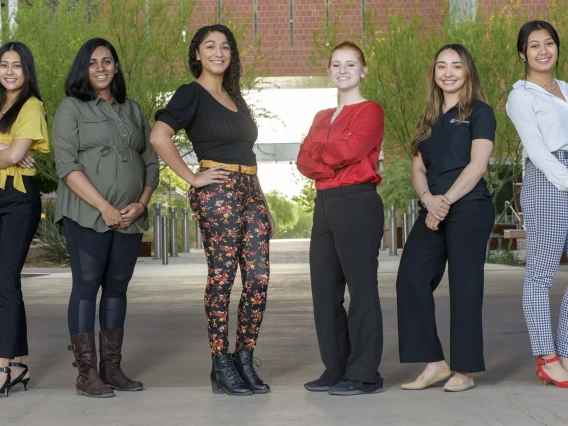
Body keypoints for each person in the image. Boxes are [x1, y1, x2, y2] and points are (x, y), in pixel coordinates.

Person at [150, 24, 274, 396]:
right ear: (198, 54)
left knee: (258, 279)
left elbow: (247, 156)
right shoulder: (192, 94)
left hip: (250, 191)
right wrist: (193, 176)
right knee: (222, 277)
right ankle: (221, 363)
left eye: (225, 46)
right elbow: (159, 136)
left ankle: (245, 358)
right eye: (210, 46)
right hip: (218, 192)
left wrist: (263, 202)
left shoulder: (236, 98)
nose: (218, 52)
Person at [53, 38, 159, 398]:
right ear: (84, 69)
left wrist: (141, 204)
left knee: (117, 290)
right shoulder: (72, 108)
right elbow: (66, 164)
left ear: (116, 67)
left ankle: (111, 369)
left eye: (107, 61)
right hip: (86, 213)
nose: (101, 68)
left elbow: (149, 162)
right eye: (93, 63)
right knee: (86, 287)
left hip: (130, 217)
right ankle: (86, 374)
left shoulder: (133, 110)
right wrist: (104, 207)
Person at [396, 44, 495, 393]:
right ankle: (435, 363)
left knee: (464, 286)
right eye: (442, 66)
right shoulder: (427, 118)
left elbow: (477, 165)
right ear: (434, 73)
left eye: (456, 66)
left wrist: (445, 202)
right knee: (410, 278)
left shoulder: (480, 112)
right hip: (433, 206)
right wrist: (428, 200)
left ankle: (465, 371)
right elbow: (418, 168)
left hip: (469, 206)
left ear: (467, 71)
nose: (448, 72)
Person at [297, 41, 385, 396]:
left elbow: (349, 151)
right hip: (325, 204)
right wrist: (327, 156)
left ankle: (365, 374)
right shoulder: (321, 117)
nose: (343, 70)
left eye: (351, 64)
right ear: (329, 70)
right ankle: (336, 368)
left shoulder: (370, 111)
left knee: (362, 290)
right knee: (324, 290)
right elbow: (304, 162)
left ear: (363, 70)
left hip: (357, 202)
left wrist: (322, 154)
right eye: (337, 64)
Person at [506, 21, 568, 388]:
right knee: (541, 276)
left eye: (549, 43)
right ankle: (547, 357)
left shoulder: (566, 89)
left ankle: (566, 351)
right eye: (534, 45)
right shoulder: (521, 96)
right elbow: (538, 151)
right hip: (547, 182)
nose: (543, 50)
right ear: (522, 54)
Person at [0, 42, 49, 397]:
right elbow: (11, 152)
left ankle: (2, 365)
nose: (9, 72)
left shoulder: (31, 106)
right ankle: (17, 364)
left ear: (27, 70)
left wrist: (11, 152)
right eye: (3, 65)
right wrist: (6, 150)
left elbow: (17, 155)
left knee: (5, 279)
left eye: (17, 66)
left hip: (17, 199)